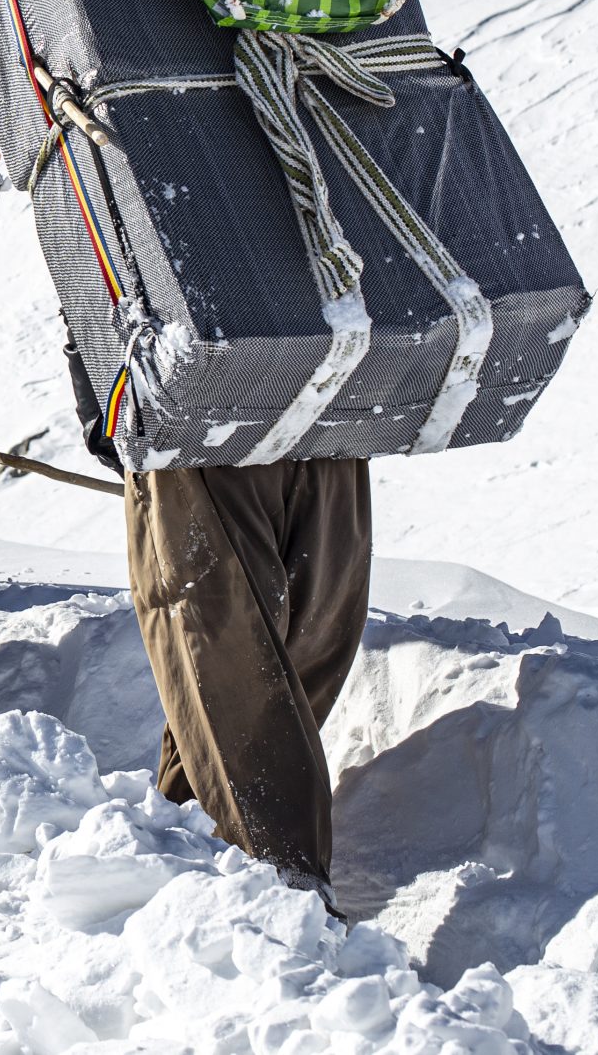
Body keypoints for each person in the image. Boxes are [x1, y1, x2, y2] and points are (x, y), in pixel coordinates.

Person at [66, 331, 370, 905]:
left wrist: (106, 414)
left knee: (244, 653)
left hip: (229, 417)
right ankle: (231, 862)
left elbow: (100, 288)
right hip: (311, 410)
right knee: (266, 651)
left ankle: (255, 874)